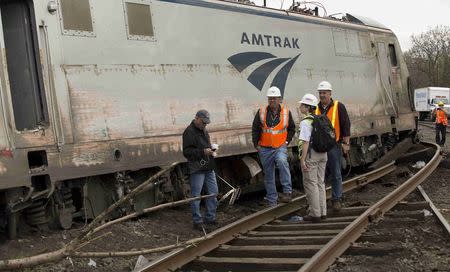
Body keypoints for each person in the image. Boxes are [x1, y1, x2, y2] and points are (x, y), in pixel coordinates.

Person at [252, 86, 296, 206]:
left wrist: (287, 142)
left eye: (274, 99)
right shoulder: (261, 112)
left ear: (279, 99)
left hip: (280, 146)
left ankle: (287, 192)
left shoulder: (286, 113)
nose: (272, 101)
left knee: (282, 162)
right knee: (268, 174)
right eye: (270, 99)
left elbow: (292, 128)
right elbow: (255, 128)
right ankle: (272, 200)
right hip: (265, 148)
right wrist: (256, 144)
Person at [315, 81, 351, 211]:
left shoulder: (338, 106)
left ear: (330, 93)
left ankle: (336, 199)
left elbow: (345, 124)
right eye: (320, 93)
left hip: (334, 146)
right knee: (320, 175)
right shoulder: (316, 108)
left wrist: (346, 142)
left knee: (336, 173)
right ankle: (321, 201)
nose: (322, 95)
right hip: (319, 147)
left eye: (324, 93)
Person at [182, 110, 218, 231]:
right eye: (203, 122)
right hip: (197, 168)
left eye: (206, 123)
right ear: (196, 118)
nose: (204, 125)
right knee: (196, 195)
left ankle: (210, 217)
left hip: (208, 165)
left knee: (213, 192)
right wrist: (203, 152)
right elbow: (186, 152)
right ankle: (197, 221)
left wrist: (211, 150)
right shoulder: (189, 132)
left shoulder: (203, 130)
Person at [298, 94, 327, 223]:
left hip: (311, 155)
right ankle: (322, 212)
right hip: (323, 154)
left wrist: (302, 159)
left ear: (307, 107)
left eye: (302, 105)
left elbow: (305, 142)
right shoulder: (321, 118)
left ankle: (315, 214)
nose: (300, 107)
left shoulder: (305, 122)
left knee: (311, 184)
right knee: (320, 183)